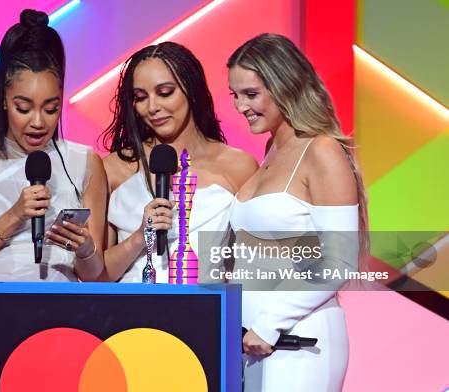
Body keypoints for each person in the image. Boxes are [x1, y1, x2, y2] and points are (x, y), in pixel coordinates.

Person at [0, 10, 107, 391]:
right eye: (23, 106)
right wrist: (13, 216)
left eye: (51, 108)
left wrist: (85, 249)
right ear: (2, 99)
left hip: (59, 330)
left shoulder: (85, 164)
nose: (37, 122)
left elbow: (95, 275)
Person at [227, 33, 368, 391]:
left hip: (300, 341)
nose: (241, 106)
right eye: (236, 96)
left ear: (284, 85)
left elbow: (340, 261)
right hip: (255, 343)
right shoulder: (273, 150)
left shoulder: (320, 151)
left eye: (251, 94)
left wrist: (271, 323)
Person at [100, 41, 257, 283]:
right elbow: (96, 277)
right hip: (133, 317)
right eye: (141, 97)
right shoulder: (114, 168)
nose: (152, 107)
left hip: (209, 315)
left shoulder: (238, 166)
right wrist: (140, 237)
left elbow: (253, 265)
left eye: (165, 93)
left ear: (191, 89)